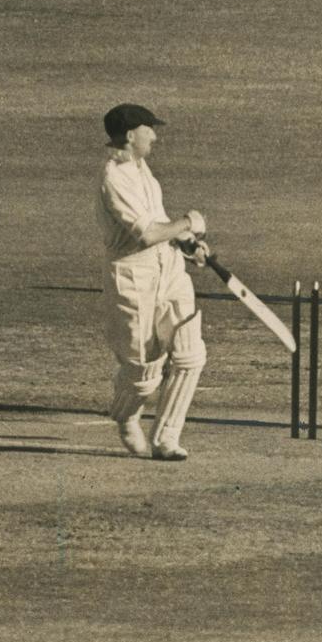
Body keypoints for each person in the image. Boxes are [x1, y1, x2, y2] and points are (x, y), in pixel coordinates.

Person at [95, 103, 209, 459]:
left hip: (169, 269)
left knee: (191, 355)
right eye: (149, 129)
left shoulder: (143, 170)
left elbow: (161, 225)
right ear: (131, 136)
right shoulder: (113, 178)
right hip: (133, 276)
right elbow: (145, 235)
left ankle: (166, 438)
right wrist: (189, 223)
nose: (155, 136)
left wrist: (189, 245)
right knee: (144, 374)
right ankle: (126, 416)